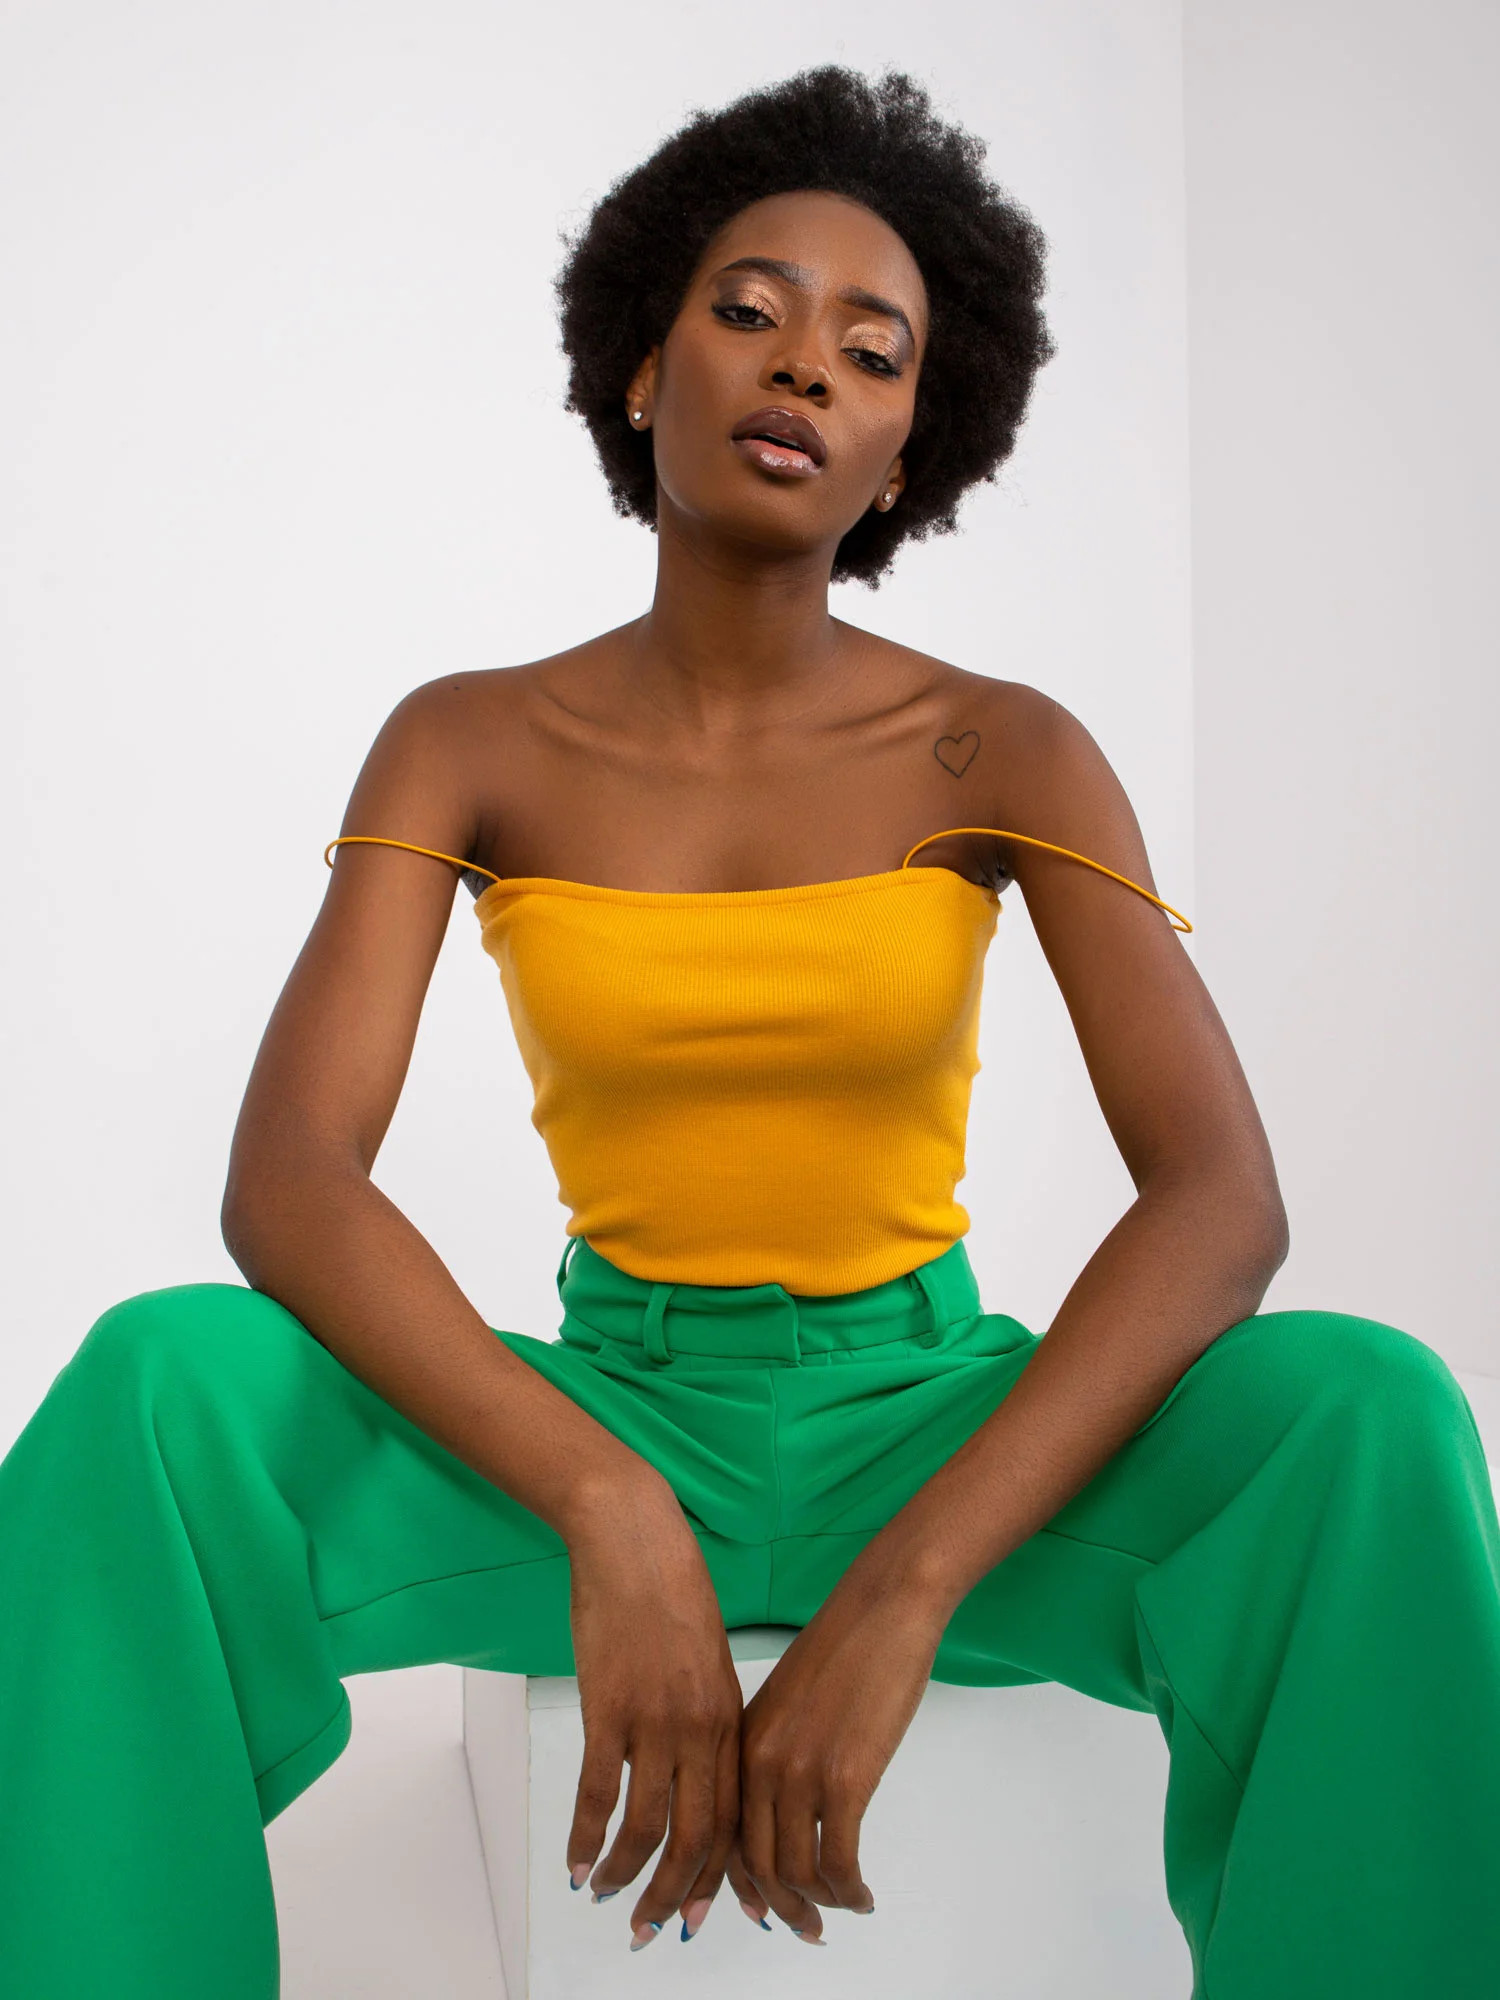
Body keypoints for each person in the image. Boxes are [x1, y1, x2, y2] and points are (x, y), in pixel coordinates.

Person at [2, 62, 1497, 2000]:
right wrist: (605, 1502)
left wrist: (911, 1585)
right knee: (151, 1390)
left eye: (873, 355)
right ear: (644, 366)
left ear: (906, 452)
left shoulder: (1006, 744)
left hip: (936, 1424)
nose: (806, 366)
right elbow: (289, 1185)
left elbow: (1222, 1200)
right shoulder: (466, 736)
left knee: (1371, 1412)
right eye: (751, 311)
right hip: (600, 1415)